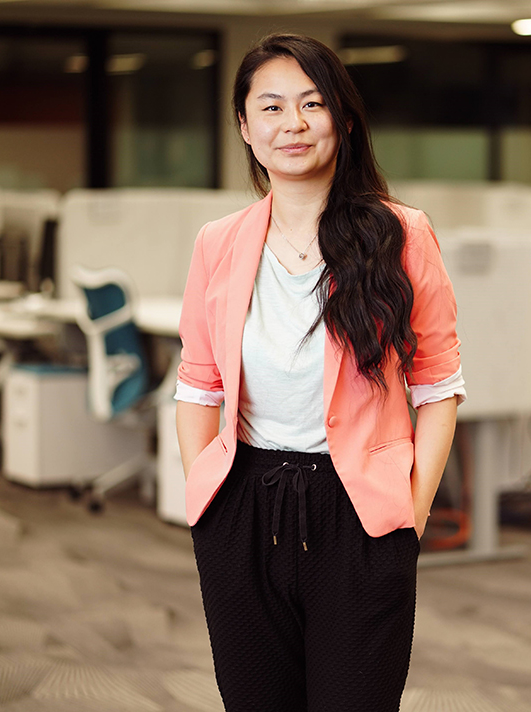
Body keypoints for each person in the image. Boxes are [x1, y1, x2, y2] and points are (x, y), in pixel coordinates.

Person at [175, 32, 467, 712]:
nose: (293, 124)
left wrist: (411, 516)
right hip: (244, 504)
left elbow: (438, 386)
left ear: (344, 116)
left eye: (312, 104)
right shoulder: (217, 243)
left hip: (360, 510)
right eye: (271, 108)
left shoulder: (400, 234)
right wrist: (205, 502)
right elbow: (198, 384)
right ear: (246, 128)